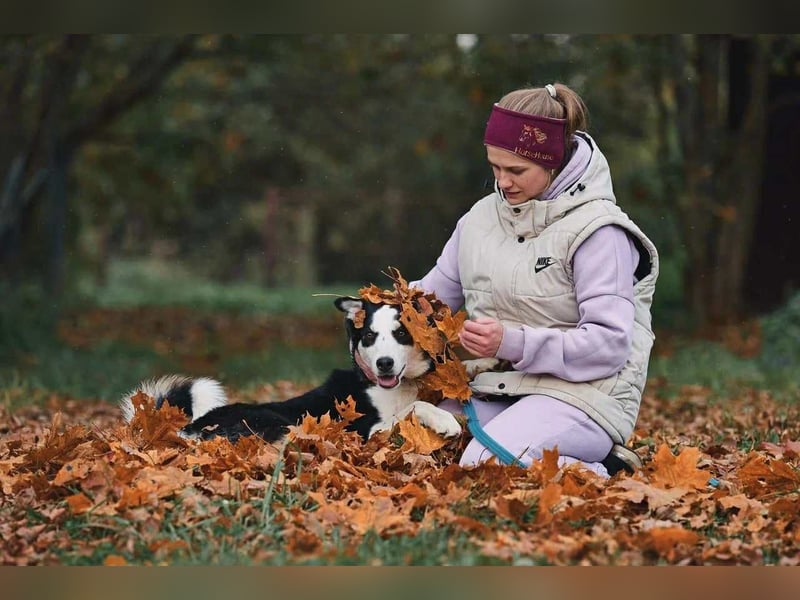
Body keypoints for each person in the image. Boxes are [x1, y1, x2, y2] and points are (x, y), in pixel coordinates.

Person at [412, 82, 658, 477]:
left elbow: (609, 346)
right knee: (419, 439)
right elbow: (432, 296)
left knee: (485, 463)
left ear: (553, 161)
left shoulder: (600, 232)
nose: (503, 182)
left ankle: (607, 470)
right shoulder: (479, 218)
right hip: (504, 385)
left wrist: (510, 341)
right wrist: (376, 313)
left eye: (516, 170)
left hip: (584, 396)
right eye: (495, 167)